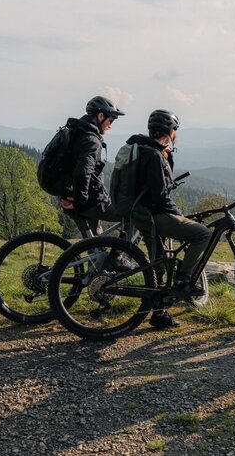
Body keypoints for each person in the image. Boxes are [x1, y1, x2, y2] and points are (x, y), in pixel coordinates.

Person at [124, 109, 211, 322]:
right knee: (203, 234)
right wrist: (179, 215)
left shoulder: (142, 148)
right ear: (170, 132)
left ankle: (159, 314)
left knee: (158, 264)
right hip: (153, 215)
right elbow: (160, 196)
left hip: (139, 214)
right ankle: (184, 280)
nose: (176, 134)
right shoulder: (154, 155)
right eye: (175, 130)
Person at [59, 96, 125, 234]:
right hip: (88, 202)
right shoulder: (91, 140)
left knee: (95, 246)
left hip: (70, 197)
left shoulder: (75, 132)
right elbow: (82, 173)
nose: (110, 125)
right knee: (135, 216)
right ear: (101, 116)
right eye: (110, 120)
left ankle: (93, 254)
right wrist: (79, 202)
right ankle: (120, 255)